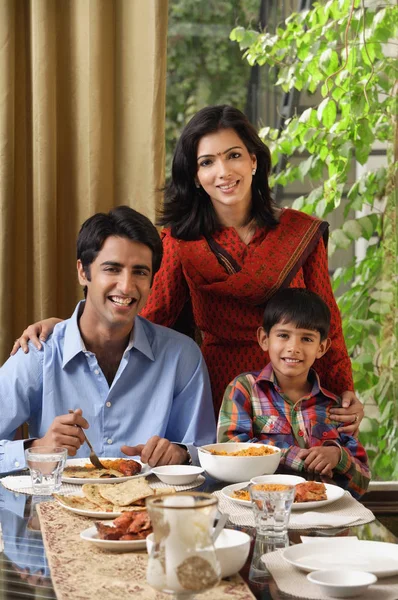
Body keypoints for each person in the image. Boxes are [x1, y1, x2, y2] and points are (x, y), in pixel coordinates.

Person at [11, 105, 363, 432]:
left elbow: (327, 322)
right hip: (216, 392)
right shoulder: (179, 243)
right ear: (195, 176)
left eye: (234, 156)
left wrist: (343, 391)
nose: (223, 172)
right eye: (207, 162)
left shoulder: (300, 234)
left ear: (253, 161)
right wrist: (66, 327)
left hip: (294, 388)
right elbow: (143, 318)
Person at [0, 206, 215, 474]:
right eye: (112, 269)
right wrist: (37, 449)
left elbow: (206, 453)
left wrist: (181, 454)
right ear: (83, 272)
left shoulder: (182, 357)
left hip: (150, 511)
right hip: (55, 510)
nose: (126, 286)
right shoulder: (38, 353)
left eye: (140, 272)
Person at [217, 288, 370, 499]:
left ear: (322, 348)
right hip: (260, 509)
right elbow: (230, 452)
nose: (293, 347)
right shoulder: (244, 389)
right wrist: (295, 457)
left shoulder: (335, 408)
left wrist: (338, 457)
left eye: (307, 339)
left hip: (323, 518)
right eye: (283, 335)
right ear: (264, 339)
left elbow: (361, 484)